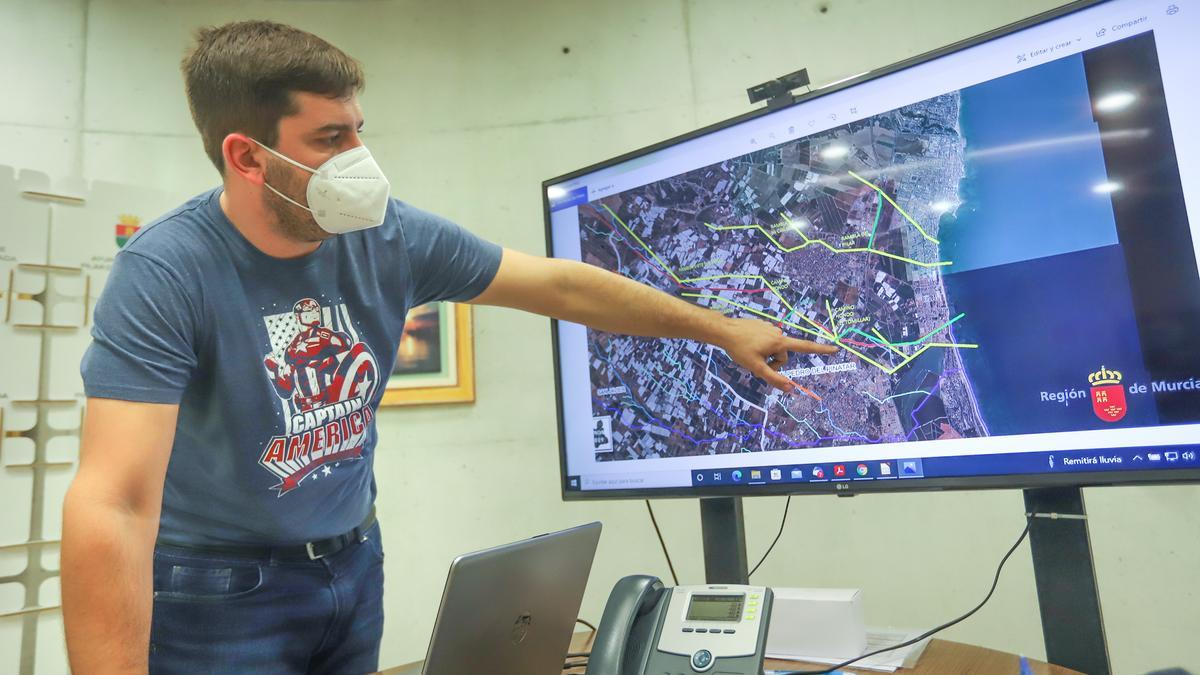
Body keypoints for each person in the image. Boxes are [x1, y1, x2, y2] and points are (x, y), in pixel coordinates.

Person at [60, 19, 836, 674]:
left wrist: (719, 328)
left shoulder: (389, 234)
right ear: (248, 156)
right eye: (330, 138)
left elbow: (561, 287)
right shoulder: (166, 270)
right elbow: (114, 505)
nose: (360, 159)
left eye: (360, 129)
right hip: (218, 589)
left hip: (353, 561)